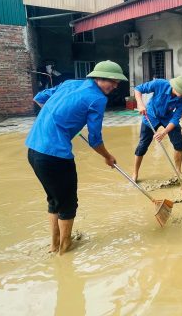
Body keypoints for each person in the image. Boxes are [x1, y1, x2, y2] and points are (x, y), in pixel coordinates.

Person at [25, 60, 128, 255]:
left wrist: (60, 119)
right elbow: (95, 139)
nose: (114, 86)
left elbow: (39, 98)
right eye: (111, 82)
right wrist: (107, 156)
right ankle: (65, 249)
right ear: (98, 77)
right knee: (68, 204)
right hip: (55, 156)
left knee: (55, 200)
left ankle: (54, 246)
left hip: (34, 150)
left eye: (117, 83)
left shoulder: (70, 83)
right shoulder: (97, 99)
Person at [132, 75, 182, 184]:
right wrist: (140, 104)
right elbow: (138, 89)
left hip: (167, 118)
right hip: (150, 116)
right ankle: (135, 173)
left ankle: (178, 171)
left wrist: (164, 132)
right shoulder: (159, 84)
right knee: (142, 146)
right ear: (175, 87)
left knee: (179, 144)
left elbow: (175, 119)